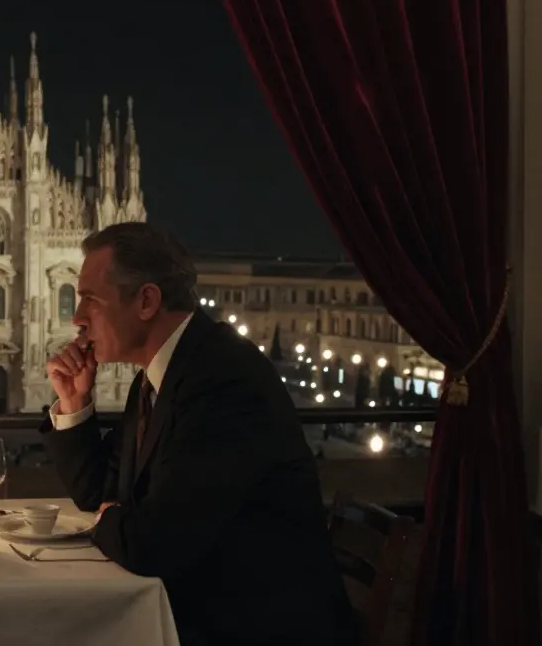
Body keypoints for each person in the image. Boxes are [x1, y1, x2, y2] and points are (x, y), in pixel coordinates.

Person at [41, 223, 356, 646]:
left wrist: (107, 517)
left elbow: (153, 545)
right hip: (198, 610)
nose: (77, 318)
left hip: (251, 629)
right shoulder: (159, 378)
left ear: (147, 301)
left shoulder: (223, 380)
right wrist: (75, 402)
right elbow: (98, 490)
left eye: (91, 301)